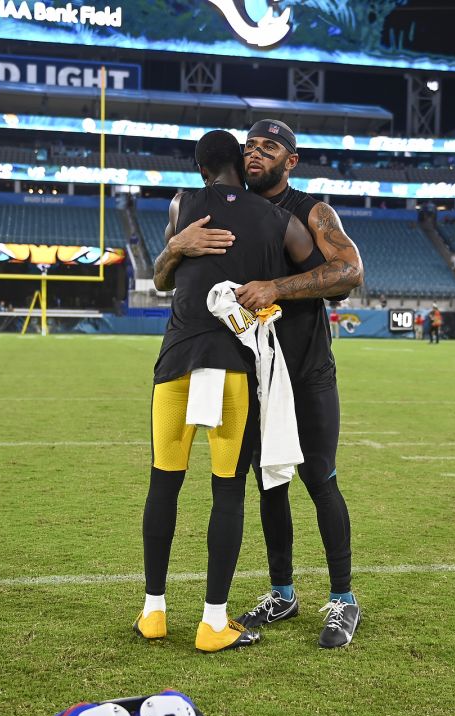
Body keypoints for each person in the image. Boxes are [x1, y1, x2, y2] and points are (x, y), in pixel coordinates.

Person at [162, 119, 366, 649]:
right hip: (254, 373)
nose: (256, 154)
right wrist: (178, 245)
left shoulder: (311, 211)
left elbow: (349, 272)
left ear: (290, 160)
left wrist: (277, 285)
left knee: (319, 479)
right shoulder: (228, 209)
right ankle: (283, 591)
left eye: (269, 147)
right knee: (268, 482)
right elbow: (179, 277)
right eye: (250, 146)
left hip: (308, 369)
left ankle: (343, 599)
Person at [142, 130, 318, 653]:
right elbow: (324, 272)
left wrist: (178, 245)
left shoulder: (182, 205)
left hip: (174, 362)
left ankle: (153, 611)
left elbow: (162, 282)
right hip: (232, 367)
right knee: (226, 491)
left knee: (163, 484)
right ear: (242, 165)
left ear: (200, 172)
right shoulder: (279, 220)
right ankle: (213, 622)